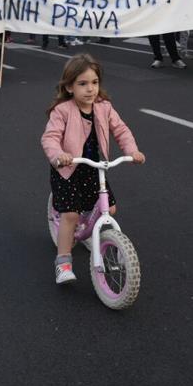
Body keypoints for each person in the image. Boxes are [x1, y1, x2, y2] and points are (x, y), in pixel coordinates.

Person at [41, 54, 145, 284]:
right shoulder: (63, 111)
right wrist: (59, 156)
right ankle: (63, 262)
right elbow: (50, 138)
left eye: (94, 82)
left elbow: (121, 130)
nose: (90, 89)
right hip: (68, 170)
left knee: (111, 209)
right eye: (82, 84)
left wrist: (132, 151)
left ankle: (88, 230)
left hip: (93, 168)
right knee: (70, 214)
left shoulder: (104, 107)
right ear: (69, 87)